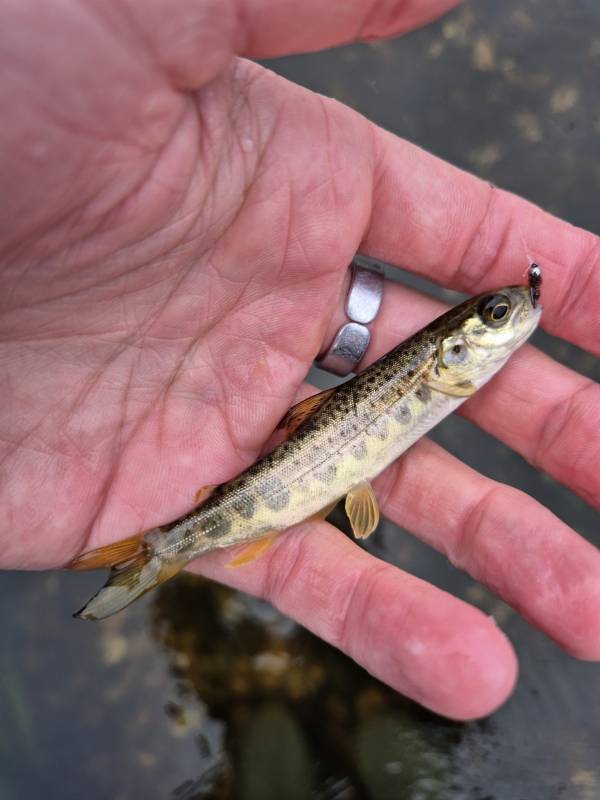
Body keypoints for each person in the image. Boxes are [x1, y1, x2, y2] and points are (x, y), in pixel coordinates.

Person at [1, 0, 599, 721]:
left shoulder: (452, 366)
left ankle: (163, 550)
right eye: (495, 316)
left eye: (495, 314)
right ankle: (166, 547)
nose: (507, 316)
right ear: (455, 351)